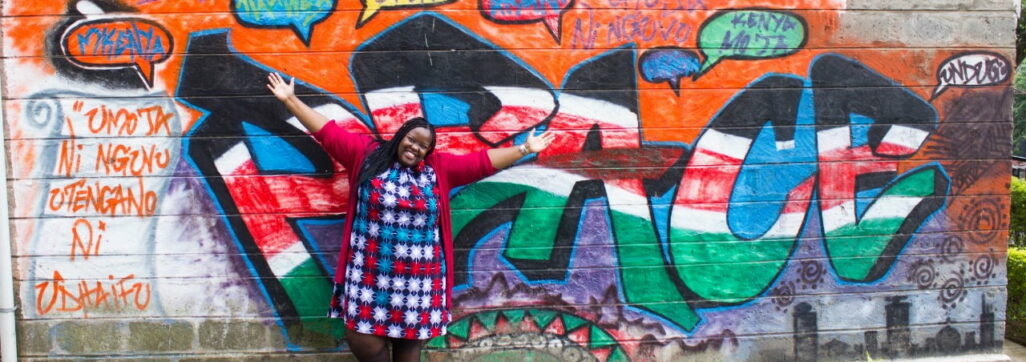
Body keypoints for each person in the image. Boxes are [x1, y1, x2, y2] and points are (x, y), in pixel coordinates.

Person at [267, 73, 554, 362]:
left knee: (408, 347)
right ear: (400, 136)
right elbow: (327, 132)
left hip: (417, 280)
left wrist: (525, 149)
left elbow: (481, 163)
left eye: (422, 146)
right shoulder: (366, 156)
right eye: (411, 140)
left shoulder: (437, 170)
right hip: (369, 275)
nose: (415, 148)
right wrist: (290, 100)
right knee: (361, 338)